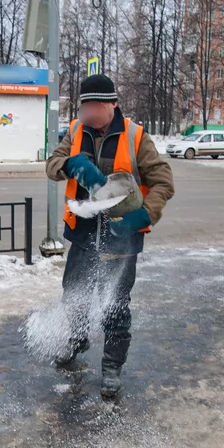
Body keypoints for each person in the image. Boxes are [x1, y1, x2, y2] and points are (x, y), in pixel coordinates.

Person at [45, 74, 175, 398]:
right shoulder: (76, 130)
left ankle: (112, 367)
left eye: (94, 106)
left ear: (112, 105)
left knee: (116, 304)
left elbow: (163, 182)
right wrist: (71, 165)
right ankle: (76, 340)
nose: (87, 112)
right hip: (83, 231)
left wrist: (146, 214)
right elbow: (51, 165)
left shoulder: (136, 137)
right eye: (84, 106)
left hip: (121, 234)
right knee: (73, 294)